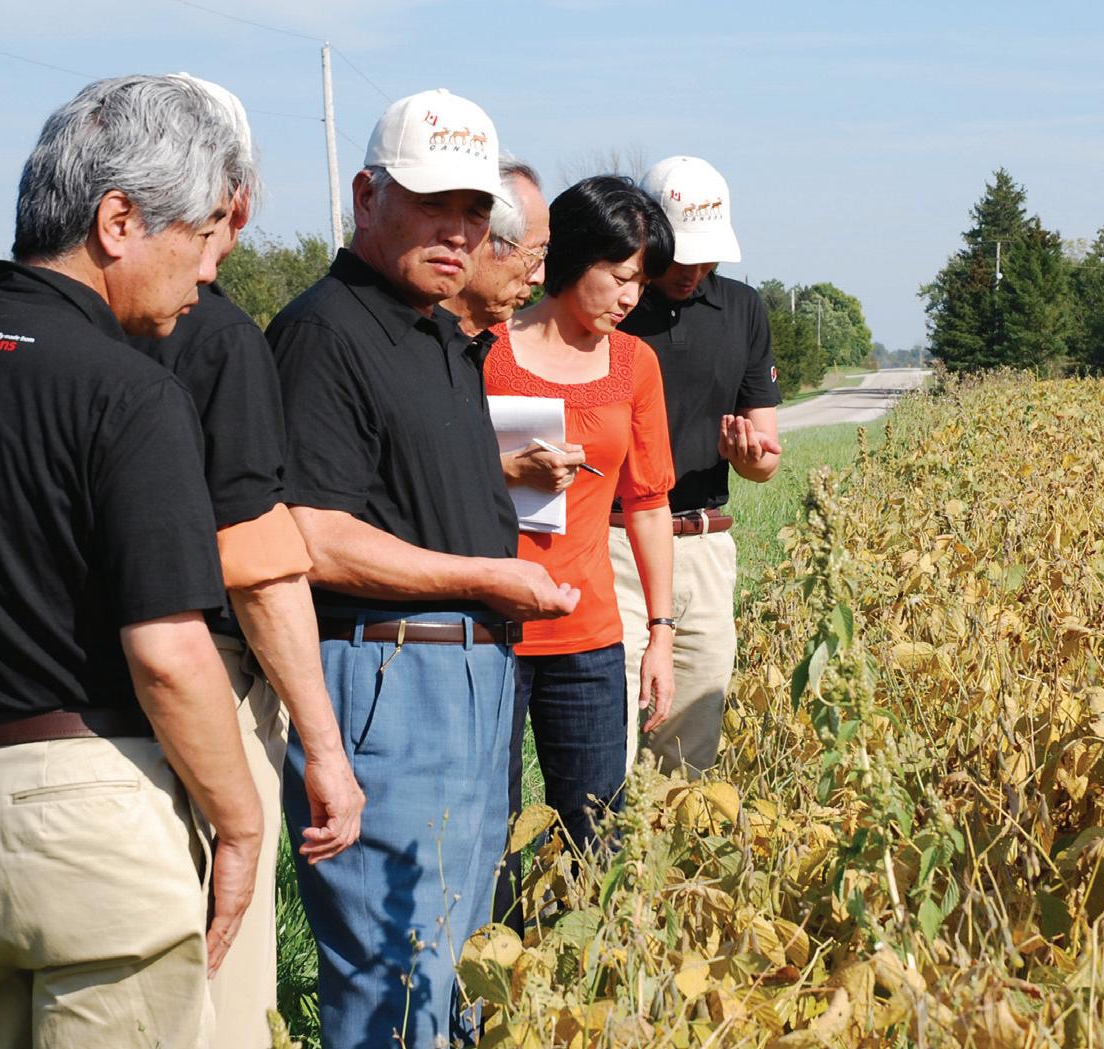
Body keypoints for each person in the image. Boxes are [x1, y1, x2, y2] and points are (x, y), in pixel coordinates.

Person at [0, 75, 262, 1047]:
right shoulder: (131, 393)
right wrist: (239, 824)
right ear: (119, 221)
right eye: (199, 236)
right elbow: (168, 655)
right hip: (90, 817)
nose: (204, 276)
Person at [267, 88, 578, 1048]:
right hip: (386, 674)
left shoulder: (438, 333)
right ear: (366, 197)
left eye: (474, 211)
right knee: (397, 971)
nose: (457, 232)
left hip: (467, 672)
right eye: (432, 204)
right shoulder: (326, 332)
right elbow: (313, 534)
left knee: (461, 956)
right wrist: (484, 578)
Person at [129, 74, 363, 1047]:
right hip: (203, 684)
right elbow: (258, 567)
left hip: (52, 713)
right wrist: (324, 747)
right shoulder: (222, 340)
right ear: (238, 200)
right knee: (222, 969)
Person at [488, 175, 678, 871]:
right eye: (620, 277)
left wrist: (659, 633)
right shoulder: (484, 349)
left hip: (588, 633)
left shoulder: (635, 364)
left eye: (641, 283)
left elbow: (648, 504)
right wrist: (508, 470)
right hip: (489, 629)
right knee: (490, 834)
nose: (630, 298)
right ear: (572, 255)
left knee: (597, 836)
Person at [614, 155, 783, 775]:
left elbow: (765, 460)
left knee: (691, 747)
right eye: (681, 255)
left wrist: (751, 456)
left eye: (706, 257)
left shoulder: (743, 309)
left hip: (703, 545)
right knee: (610, 739)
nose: (693, 270)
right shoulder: (613, 304)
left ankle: (672, 840)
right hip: (614, 542)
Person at [440, 157, 551, 337]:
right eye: (533, 254)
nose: (538, 277)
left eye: (543, 254)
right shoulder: (406, 343)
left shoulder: (483, 344)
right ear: (483, 238)